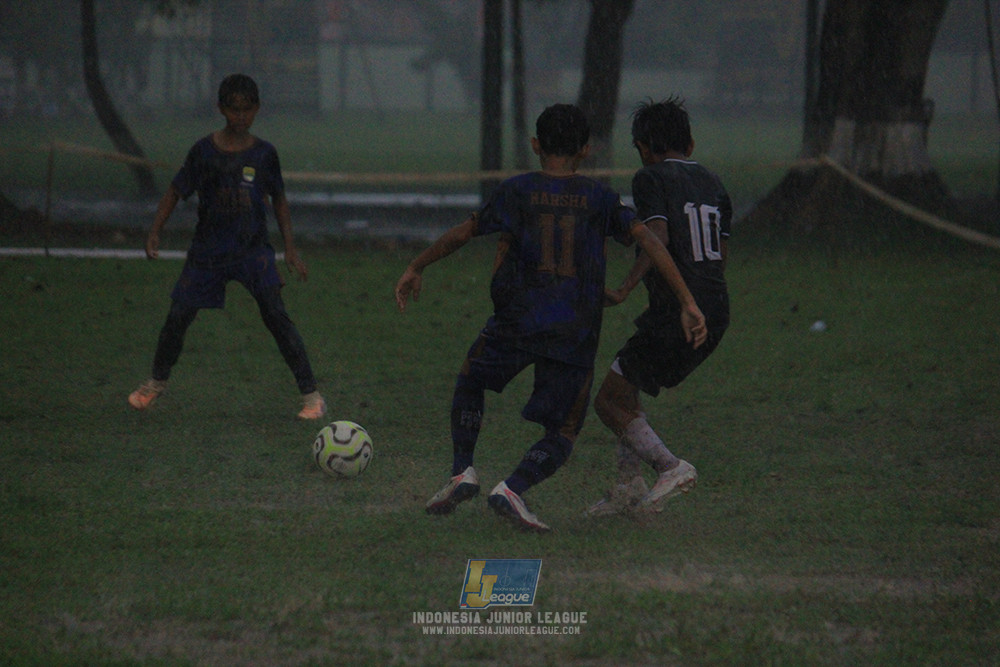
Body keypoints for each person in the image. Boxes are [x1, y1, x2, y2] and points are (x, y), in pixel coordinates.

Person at [394, 103, 707, 532]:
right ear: (586, 150)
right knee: (563, 431)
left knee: (471, 379)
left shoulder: (516, 190)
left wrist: (417, 266)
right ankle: (514, 488)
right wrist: (687, 300)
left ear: (536, 145)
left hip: (518, 317)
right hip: (573, 329)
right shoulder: (599, 198)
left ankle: (462, 470)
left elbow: (464, 233)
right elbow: (651, 242)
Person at [127, 74, 326, 420]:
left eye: (247, 109)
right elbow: (175, 190)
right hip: (208, 252)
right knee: (178, 316)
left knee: (275, 314)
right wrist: (155, 231)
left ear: (257, 109)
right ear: (221, 109)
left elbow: (279, 200)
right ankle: (155, 383)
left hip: (253, 251)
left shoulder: (264, 154)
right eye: (234, 109)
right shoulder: (204, 151)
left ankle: (311, 396)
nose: (241, 116)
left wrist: (289, 249)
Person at [586, 97, 731, 516]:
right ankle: (628, 485)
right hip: (716, 307)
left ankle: (670, 467)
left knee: (609, 401)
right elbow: (719, 254)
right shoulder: (714, 182)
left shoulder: (651, 178)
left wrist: (626, 287)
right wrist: (704, 299)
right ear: (690, 143)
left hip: (679, 310)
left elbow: (658, 238)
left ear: (643, 147)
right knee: (627, 386)